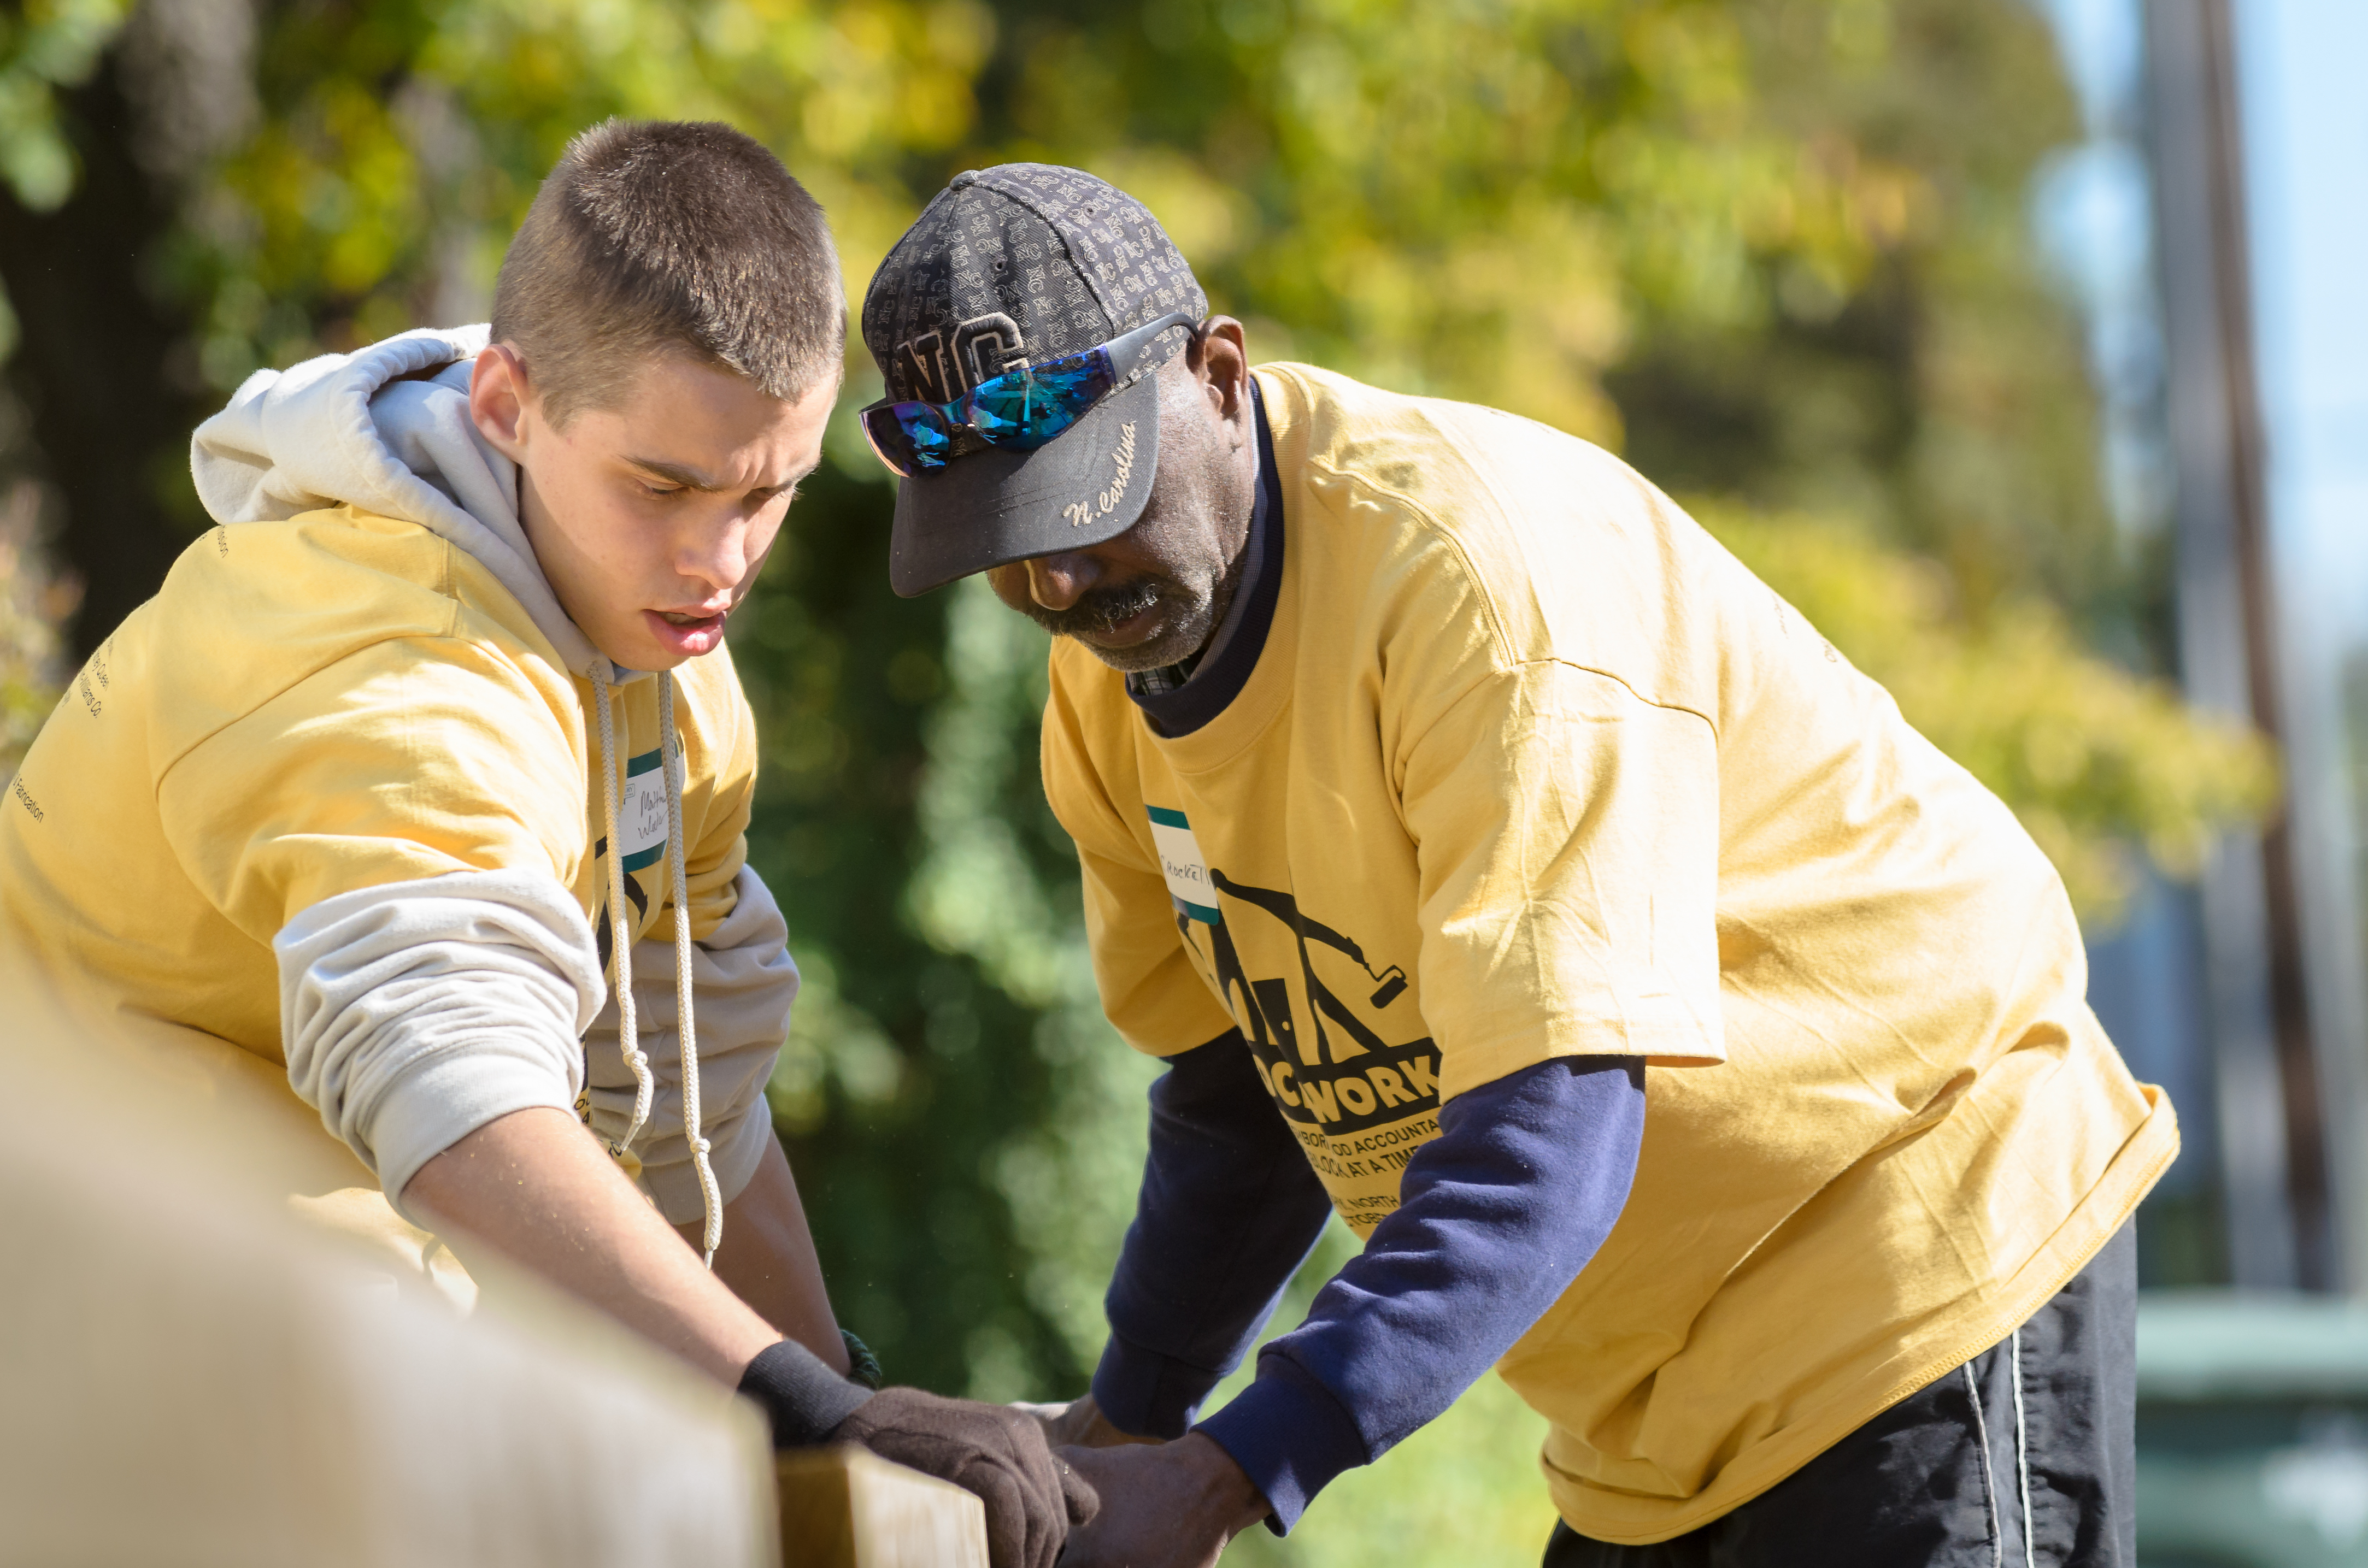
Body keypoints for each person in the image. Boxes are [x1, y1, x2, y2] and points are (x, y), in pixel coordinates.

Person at [854, 163, 2177, 1568]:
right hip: (1647, 1414)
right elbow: (1247, 1095)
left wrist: (1228, 1473)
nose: (1057, 584)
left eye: (1087, 501)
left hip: (1910, 1266)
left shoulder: (1479, 590)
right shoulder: (1116, 684)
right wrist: (1123, 1431)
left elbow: (1551, 1132)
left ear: (1219, 372)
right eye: (1011, 540)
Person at [0, 122, 1089, 1568]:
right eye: (661, 486)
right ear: (508, 402)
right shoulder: (390, 667)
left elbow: (690, 1106)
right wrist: (806, 1407)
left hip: (302, 1349)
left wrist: (859, 1413)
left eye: (765, 491)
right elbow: (460, 1107)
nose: (718, 560)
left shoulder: (659, 666)